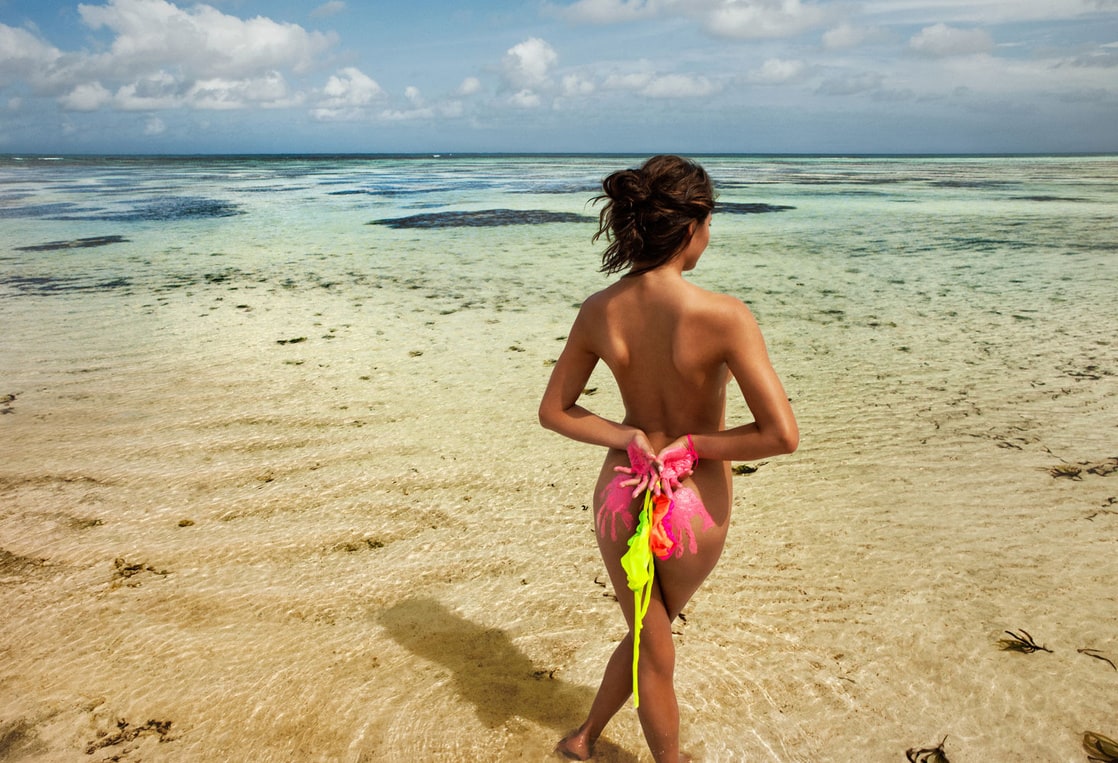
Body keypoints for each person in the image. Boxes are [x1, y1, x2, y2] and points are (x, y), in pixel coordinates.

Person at [538, 155, 799, 762]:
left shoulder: (600, 308)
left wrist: (628, 439)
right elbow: (780, 435)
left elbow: (556, 410)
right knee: (654, 648)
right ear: (693, 225)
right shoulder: (723, 316)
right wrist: (694, 445)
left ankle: (582, 739)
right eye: (710, 223)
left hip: (620, 491)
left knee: (645, 634)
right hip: (690, 501)